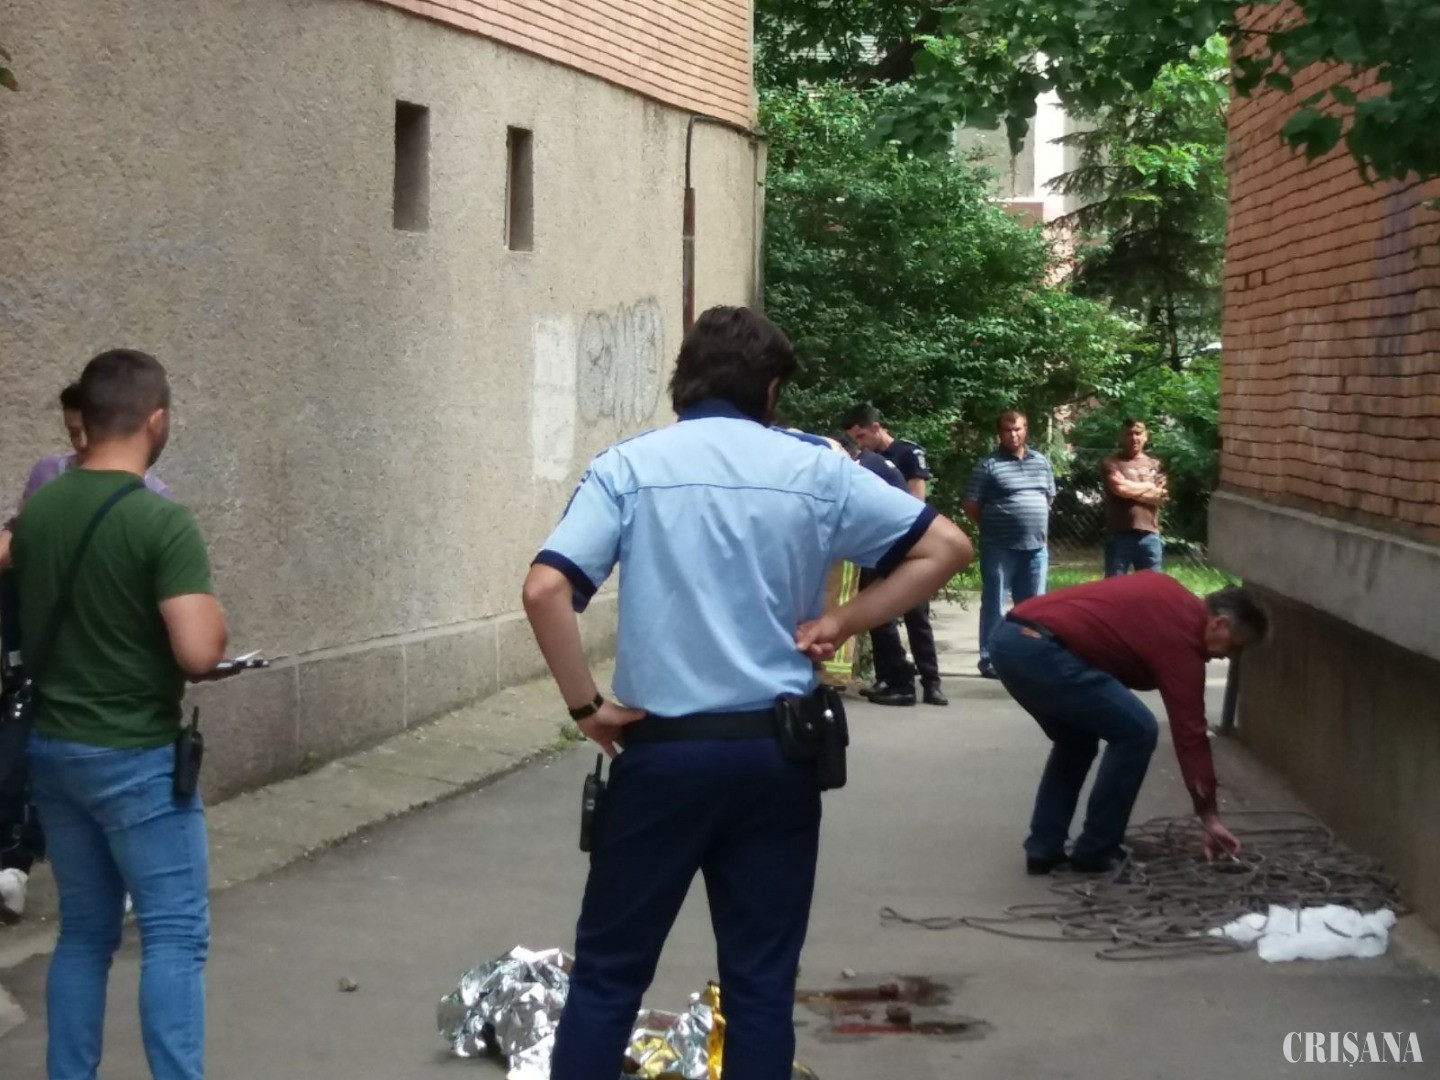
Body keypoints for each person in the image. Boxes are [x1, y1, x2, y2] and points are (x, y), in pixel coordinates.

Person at [522, 307, 972, 1080]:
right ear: (770, 390)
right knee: (759, 985)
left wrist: (586, 708)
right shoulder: (818, 469)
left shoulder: (629, 466)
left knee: (609, 977)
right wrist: (840, 621)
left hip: (661, 756)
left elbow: (545, 589)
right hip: (775, 756)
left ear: (684, 381)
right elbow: (947, 546)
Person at [12, 349, 228, 1080]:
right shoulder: (160, 521)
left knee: (83, 935)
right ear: (155, 420)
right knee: (174, 935)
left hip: (54, 750)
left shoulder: (38, 512)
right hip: (136, 756)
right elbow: (198, 650)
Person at [987, 574, 1268, 874]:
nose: (1228, 657)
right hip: (1040, 650)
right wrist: (1209, 816)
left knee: (1076, 741)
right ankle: (1097, 850)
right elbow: (1191, 734)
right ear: (1220, 623)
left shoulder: (1171, 595)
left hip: (1010, 641)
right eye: (1234, 647)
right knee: (1137, 731)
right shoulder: (1181, 637)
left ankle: (1044, 849)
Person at [0, 381, 173, 569]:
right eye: (73, 433)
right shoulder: (48, 471)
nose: (82, 443)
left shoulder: (154, 493)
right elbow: (18, 532)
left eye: (89, 432)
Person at [842, 405, 947, 706]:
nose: (859, 443)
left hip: (908, 540)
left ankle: (931, 682)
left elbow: (916, 501)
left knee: (916, 614)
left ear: (876, 427)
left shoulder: (906, 453)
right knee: (879, 614)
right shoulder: (865, 459)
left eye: (861, 436)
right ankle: (887, 676)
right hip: (879, 543)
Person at [964, 410, 1055, 678]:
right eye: (1007, 430)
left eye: (1018, 429)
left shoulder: (1041, 462)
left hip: (1036, 549)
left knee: (1034, 607)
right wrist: (997, 525)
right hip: (999, 547)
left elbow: (1048, 498)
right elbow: (971, 505)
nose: (1013, 435)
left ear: (1026, 430)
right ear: (999, 434)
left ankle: (1030, 658)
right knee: (994, 604)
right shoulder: (988, 465)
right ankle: (990, 659)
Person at [1103, 418, 1168, 577]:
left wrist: (1130, 489)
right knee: (1115, 586)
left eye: (1138, 433)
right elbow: (1120, 489)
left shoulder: (1155, 464)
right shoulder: (1112, 463)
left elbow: (1162, 497)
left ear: (1146, 436)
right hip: (1119, 535)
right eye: (1129, 434)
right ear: (1121, 437)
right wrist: (1149, 486)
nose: (1134, 438)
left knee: (1151, 586)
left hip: (1149, 535)